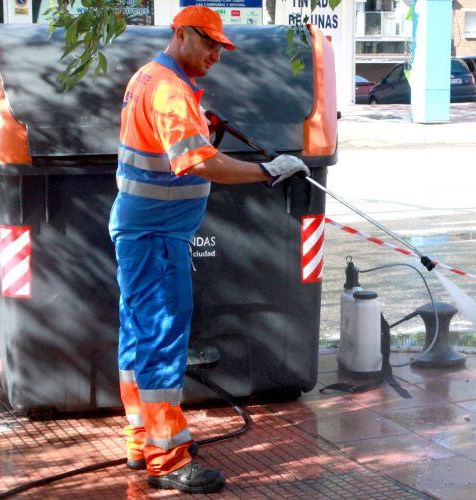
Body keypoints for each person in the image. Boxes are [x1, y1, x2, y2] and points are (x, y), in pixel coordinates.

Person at [109, 5, 309, 494]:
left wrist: (200, 121)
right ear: (182, 35)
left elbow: (173, 139)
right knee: (160, 338)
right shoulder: (171, 91)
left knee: (138, 336)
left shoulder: (150, 76)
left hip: (140, 231)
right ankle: (168, 459)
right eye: (209, 44)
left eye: (221, 47)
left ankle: (144, 442)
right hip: (157, 237)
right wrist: (268, 171)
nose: (216, 55)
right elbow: (198, 163)